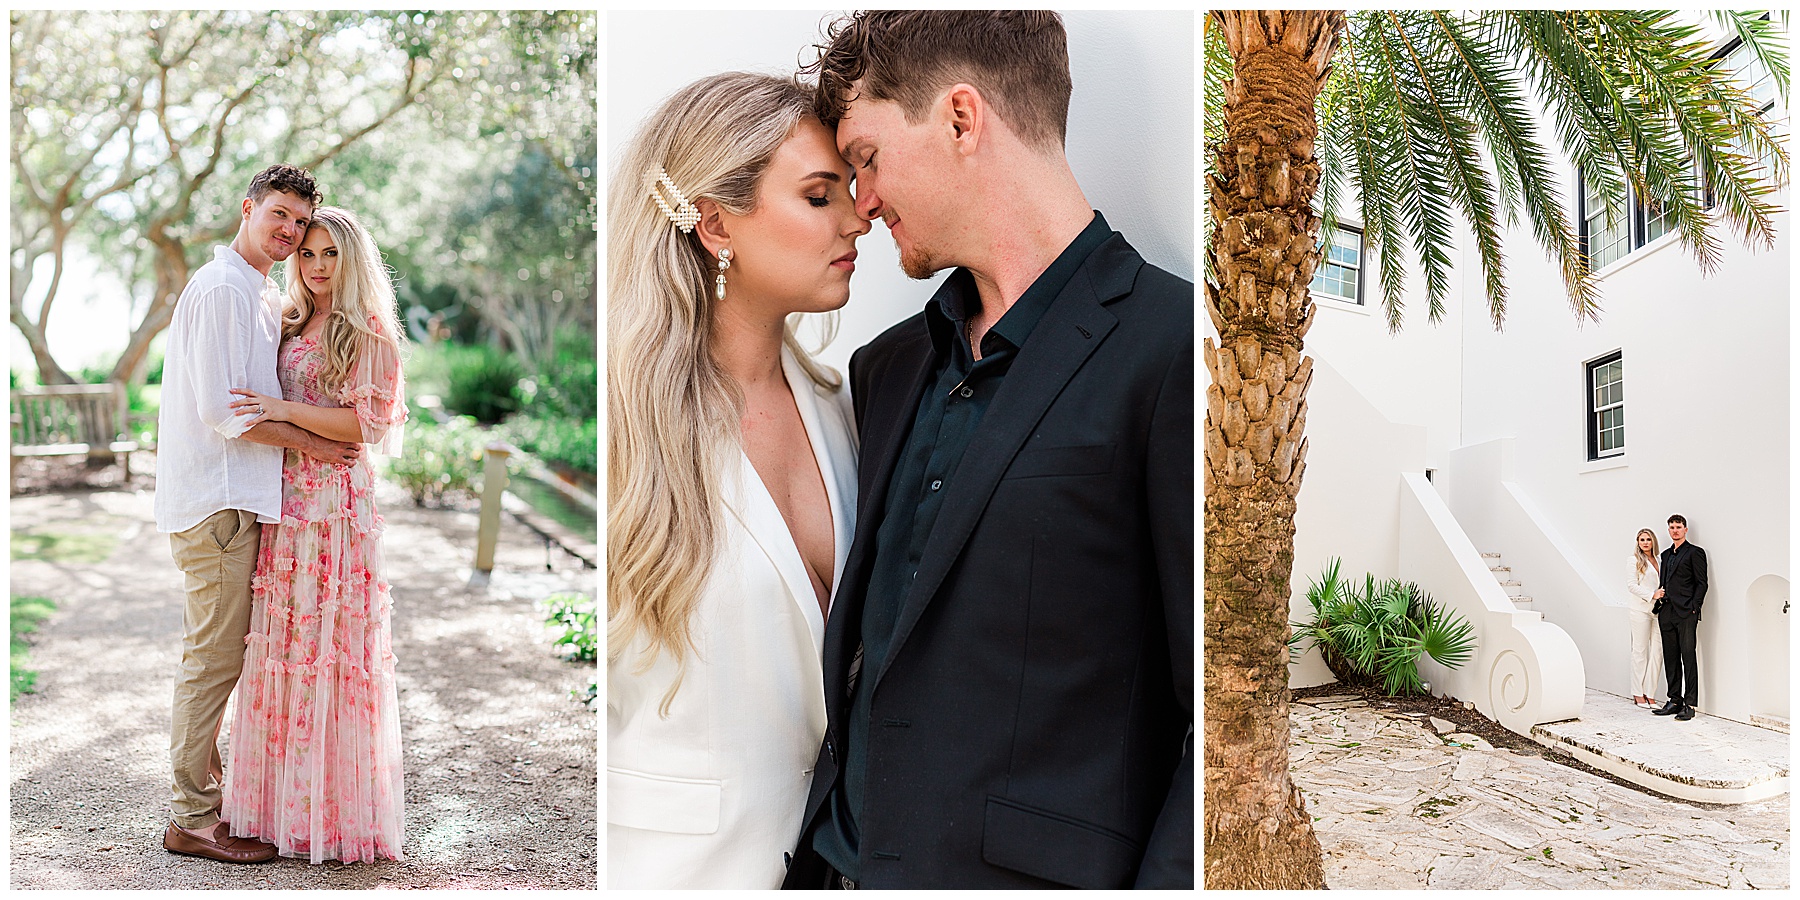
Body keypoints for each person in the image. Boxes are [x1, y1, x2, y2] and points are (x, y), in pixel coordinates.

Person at [785, 11, 1193, 889]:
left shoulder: (1178, 350)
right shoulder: (885, 369)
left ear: (961, 120)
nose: (862, 203)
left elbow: (1217, 720)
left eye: (865, 158)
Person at [606, 72, 868, 888]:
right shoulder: (624, 428)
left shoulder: (851, 408)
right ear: (716, 224)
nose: (858, 219)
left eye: (850, 192)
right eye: (820, 196)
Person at [155, 165, 363, 864]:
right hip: (218, 503)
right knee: (211, 662)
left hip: (244, 504)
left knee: (228, 658)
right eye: (279, 215)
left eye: (300, 224)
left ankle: (215, 794)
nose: (289, 232)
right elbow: (223, 413)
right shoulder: (221, 290)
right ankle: (190, 817)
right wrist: (314, 444)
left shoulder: (260, 291)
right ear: (247, 209)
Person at [221, 206, 409, 862]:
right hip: (286, 510)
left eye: (331, 254)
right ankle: (276, 810)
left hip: (335, 516)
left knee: (331, 654)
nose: (318, 265)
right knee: (284, 652)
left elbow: (367, 426)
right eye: (309, 253)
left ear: (352, 260)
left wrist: (279, 408)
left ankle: (331, 819)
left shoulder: (371, 333)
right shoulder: (291, 322)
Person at [1652, 514, 1707, 721]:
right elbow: (1664, 581)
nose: (1675, 530)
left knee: (1688, 657)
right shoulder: (1666, 555)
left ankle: (1689, 704)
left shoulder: (1695, 552)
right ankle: (1674, 700)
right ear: (1668, 530)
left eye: (1678, 527)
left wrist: (1694, 608)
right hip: (1666, 613)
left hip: (1686, 613)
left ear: (1686, 530)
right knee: (1671, 658)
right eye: (1672, 527)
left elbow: (1702, 583)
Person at [1625, 529, 1663, 709]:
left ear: (1653, 541)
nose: (1645, 543)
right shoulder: (1633, 560)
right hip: (1640, 609)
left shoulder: (1660, 560)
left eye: (1648, 539)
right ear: (1638, 542)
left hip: (1658, 611)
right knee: (1640, 651)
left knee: (1657, 651)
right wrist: (1652, 594)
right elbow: (1631, 586)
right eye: (1642, 540)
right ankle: (1637, 693)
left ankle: (1650, 693)